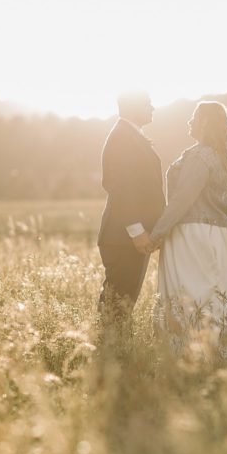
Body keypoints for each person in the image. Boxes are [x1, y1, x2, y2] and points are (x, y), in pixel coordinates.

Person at [147, 100, 227, 342]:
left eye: (194, 117)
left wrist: (157, 233)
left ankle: (199, 348)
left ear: (205, 122)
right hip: (216, 234)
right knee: (222, 290)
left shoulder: (200, 155)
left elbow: (183, 199)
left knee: (193, 292)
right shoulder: (216, 155)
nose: (190, 121)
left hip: (192, 234)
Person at [97, 90, 165, 322]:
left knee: (123, 305)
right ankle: (109, 353)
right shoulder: (122, 138)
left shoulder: (131, 135)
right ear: (133, 107)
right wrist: (137, 231)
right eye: (148, 104)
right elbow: (120, 188)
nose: (153, 108)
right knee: (117, 304)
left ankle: (117, 351)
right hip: (123, 237)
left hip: (131, 237)